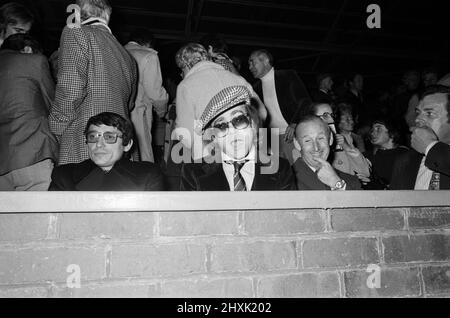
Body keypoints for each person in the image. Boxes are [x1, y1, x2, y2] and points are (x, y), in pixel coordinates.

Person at [49, 0, 137, 165]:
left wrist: (56, 128)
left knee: (78, 188)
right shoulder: (127, 56)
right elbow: (129, 103)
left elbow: (71, 89)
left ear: (77, 14)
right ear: (107, 17)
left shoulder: (75, 32)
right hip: (119, 140)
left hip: (86, 138)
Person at [181, 85, 296, 191]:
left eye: (239, 120)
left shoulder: (280, 169)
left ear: (253, 124)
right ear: (214, 137)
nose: (232, 131)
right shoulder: (193, 173)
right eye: (221, 126)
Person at [174, 43, 267, 160]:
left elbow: (185, 133)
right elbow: (262, 113)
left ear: (186, 65)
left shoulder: (185, 86)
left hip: (211, 155)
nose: (182, 74)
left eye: (181, 69)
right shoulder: (237, 78)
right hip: (245, 148)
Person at [0, 34, 58, 191]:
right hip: (32, 152)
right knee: (36, 213)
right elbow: (53, 105)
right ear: (27, 49)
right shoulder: (34, 61)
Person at [49, 112, 165, 191]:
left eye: (109, 137)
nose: (98, 144)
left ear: (127, 145)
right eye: (93, 137)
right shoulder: (64, 176)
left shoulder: (147, 175)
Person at [249, 49, 311, 165]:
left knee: (299, 170)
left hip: (291, 135)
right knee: (278, 175)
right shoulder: (255, 88)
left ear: (265, 60)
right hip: (270, 139)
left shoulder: (287, 76)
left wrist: (295, 123)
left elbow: (305, 101)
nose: (249, 67)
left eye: (252, 62)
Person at [391, 85, 450, 190]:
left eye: (429, 113)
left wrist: (431, 146)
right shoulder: (405, 161)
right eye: (418, 113)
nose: (418, 119)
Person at [125, 28, 169, 162]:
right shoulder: (148, 56)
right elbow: (155, 92)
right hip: (138, 113)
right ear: (148, 43)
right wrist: (162, 112)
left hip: (114, 110)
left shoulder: (115, 52)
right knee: (143, 156)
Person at [292, 115, 361, 190]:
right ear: (297, 144)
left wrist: (337, 184)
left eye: (321, 138)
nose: (316, 148)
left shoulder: (350, 181)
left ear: (330, 139)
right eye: (307, 141)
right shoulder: (286, 180)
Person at [309, 102, 371, 180]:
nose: (331, 119)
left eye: (332, 115)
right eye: (325, 115)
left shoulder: (343, 140)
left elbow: (365, 172)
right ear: (311, 119)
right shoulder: (306, 145)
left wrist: (347, 147)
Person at [363, 118, 409, 189]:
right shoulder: (368, 156)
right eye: (372, 130)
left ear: (392, 132)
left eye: (378, 129)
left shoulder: (405, 155)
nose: (372, 133)